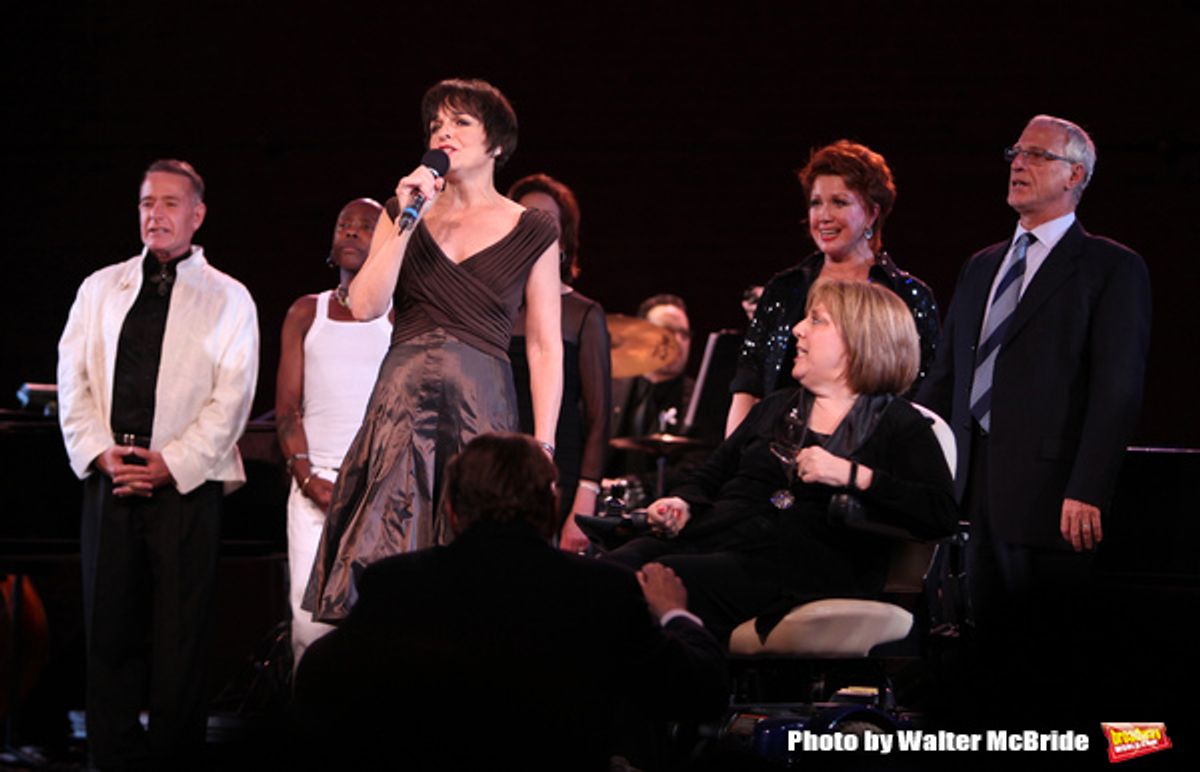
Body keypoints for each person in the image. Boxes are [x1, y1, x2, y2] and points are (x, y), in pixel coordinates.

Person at [292, 433, 728, 771]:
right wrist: (675, 613)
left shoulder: (397, 583)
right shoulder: (602, 589)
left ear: (450, 511)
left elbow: (316, 676)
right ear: (550, 507)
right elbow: (700, 692)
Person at [304, 79, 563, 623]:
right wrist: (407, 216)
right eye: (435, 125)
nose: (443, 133)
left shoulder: (532, 228)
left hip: (481, 408)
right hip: (401, 408)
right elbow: (368, 305)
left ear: (496, 144)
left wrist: (543, 443)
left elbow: (542, 343)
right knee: (388, 564)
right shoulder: (404, 212)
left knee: (477, 573)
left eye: (460, 123)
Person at [916, 115, 1151, 712]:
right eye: (1015, 152)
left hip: (1053, 496)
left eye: (1036, 155)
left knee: (1050, 659)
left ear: (1075, 175)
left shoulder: (1109, 267)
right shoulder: (981, 265)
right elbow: (947, 380)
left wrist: (1088, 486)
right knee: (985, 655)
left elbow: (1117, 388)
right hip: (975, 488)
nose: (1017, 164)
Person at [607, 281, 957, 644]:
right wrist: (681, 502)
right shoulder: (776, 406)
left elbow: (940, 513)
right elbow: (710, 476)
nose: (797, 330)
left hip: (798, 566)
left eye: (816, 321)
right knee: (610, 570)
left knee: (659, 578)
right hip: (721, 539)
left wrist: (853, 475)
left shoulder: (898, 423)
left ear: (859, 338)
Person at [57, 159, 258, 769]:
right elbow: (74, 378)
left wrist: (174, 462)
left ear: (196, 215)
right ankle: (110, 757)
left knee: (180, 637)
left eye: (170, 204)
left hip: (184, 485)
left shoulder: (229, 296)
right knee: (108, 629)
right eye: (147, 203)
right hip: (112, 475)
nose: (156, 214)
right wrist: (99, 451)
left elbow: (235, 395)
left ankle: (173, 759)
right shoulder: (101, 287)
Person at [726, 140, 939, 436]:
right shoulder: (785, 289)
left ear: (872, 213)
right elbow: (748, 387)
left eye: (839, 202)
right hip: (777, 453)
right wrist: (732, 464)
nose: (823, 216)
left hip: (869, 458)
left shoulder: (906, 296)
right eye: (816, 203)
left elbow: (923, 399)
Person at [275, 197, 390, 666]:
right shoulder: (307, 312)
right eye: (344, 224)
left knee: (378, 623)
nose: (352, 231)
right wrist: (306, 479)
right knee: (309, 628)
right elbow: (287, 410)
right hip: (314, 485)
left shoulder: (400, 316)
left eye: (366, 226)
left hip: (379, 488)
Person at [507, 173, 611, 553]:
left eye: (547, 219)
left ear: (564, 238)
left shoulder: (582, 313)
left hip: (556, 470)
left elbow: (599, 416)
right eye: (524, 215)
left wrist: (585, 497)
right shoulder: (490, 307)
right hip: (492, 466)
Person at [606, 294, 695, 503]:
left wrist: (632, 484)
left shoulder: (698, 399)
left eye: (684, 333)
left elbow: (697, 466)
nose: (678, 341)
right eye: (667, 331)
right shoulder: (610, 390)